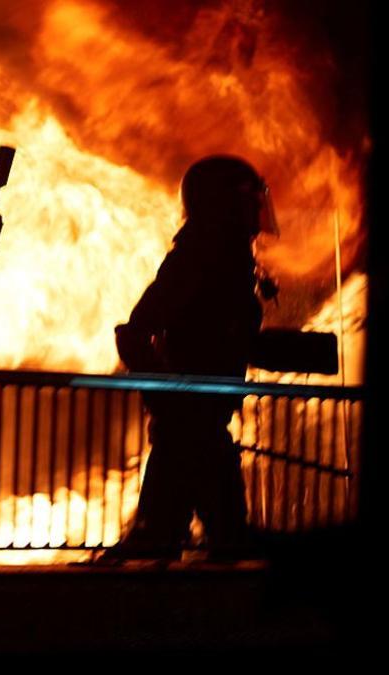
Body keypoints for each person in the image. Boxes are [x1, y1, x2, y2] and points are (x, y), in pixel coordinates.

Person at [106, 155, 278, 562]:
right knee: (218, 538)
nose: (257, 213)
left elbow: (221, 335)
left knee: (175, 536)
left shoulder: (228, 262)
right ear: (224, 205)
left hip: (199, 423)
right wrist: (173, 396)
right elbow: (134, 332)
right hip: (191, 426)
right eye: (249, 203)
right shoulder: (196, 259)